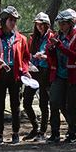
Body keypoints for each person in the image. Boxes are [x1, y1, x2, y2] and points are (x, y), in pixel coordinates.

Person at [46, 9, 76, 144]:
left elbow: (75, 54)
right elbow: (51, 55)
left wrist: (59, 46)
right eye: (60, 23)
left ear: (71, 23)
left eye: (64, 23)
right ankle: (55, 134)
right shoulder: (57, 36)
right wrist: (50, 49)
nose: (61, 26)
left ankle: (72, 133)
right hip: (59, 75)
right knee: (54, 103)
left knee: (71, 106)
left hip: (73, 76)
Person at [0, 6, 30, 145]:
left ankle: (15, 133)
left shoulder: (21, 39)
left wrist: (24, 71)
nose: (13, 22)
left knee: (15, 104)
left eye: (15, 20)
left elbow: (26, 57)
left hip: (15, 74)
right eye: (10, 20)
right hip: (0, 72)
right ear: (4, 20)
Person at [23, 12, 54, 141]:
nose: (40, 27)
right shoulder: (32, 38)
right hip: (33, 70)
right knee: (26, 101)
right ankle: (35, 127)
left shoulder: (52, 37)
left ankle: (43, 131)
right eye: (38, 24)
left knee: (43, 101)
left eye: (42, 24)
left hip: (45, 70)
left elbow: (55, 56)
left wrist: (45, 57)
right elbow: (28, 54)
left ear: (47, 25)